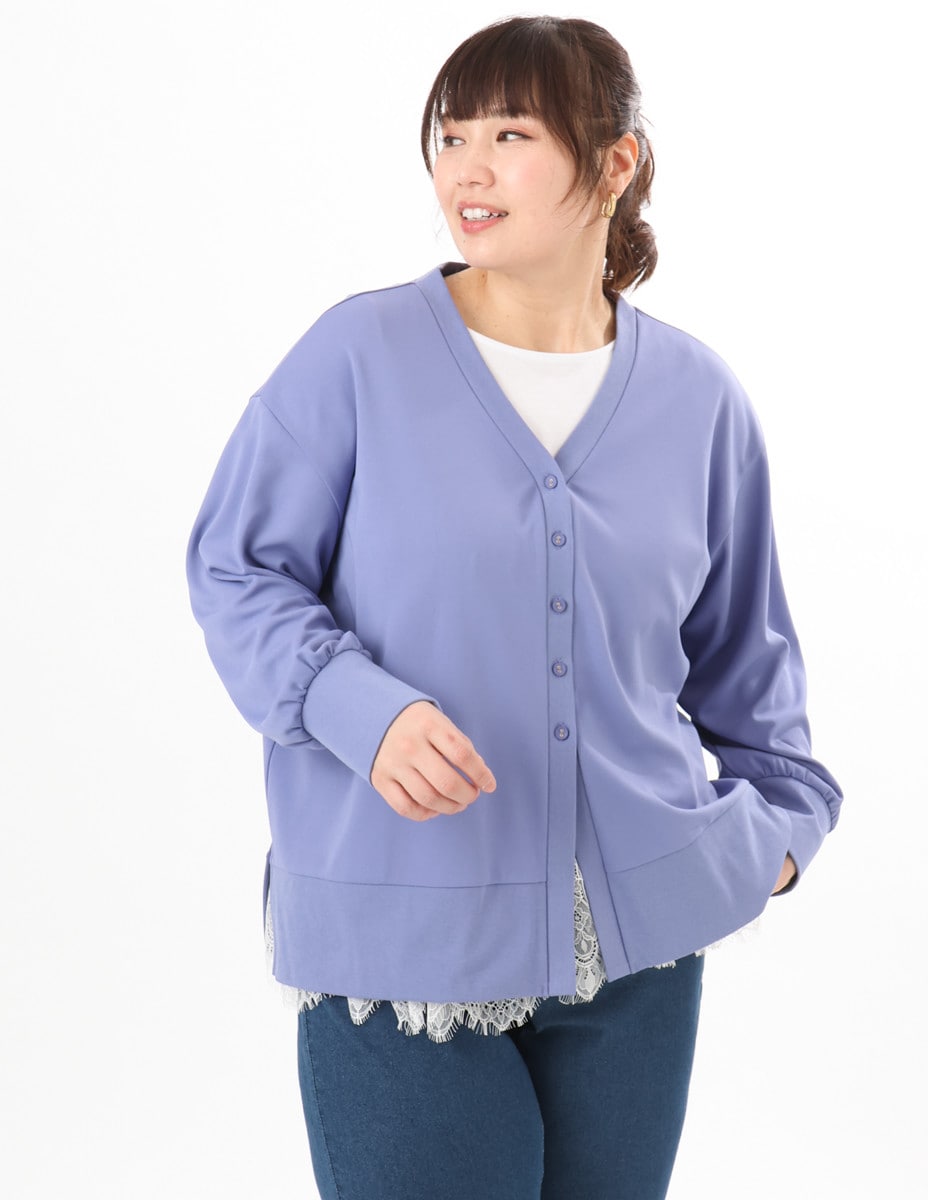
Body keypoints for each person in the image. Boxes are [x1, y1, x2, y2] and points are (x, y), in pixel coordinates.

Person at [187, 15, 842, 1199]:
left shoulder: (698, 399)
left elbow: (749, 675)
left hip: (641, 966)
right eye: (449, 137)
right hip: (401, 955)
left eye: (510, 135)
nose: (466, 170)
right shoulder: (356, 357)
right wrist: (361, 710)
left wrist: (776, 843)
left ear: (615, 162)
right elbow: (236, 569)